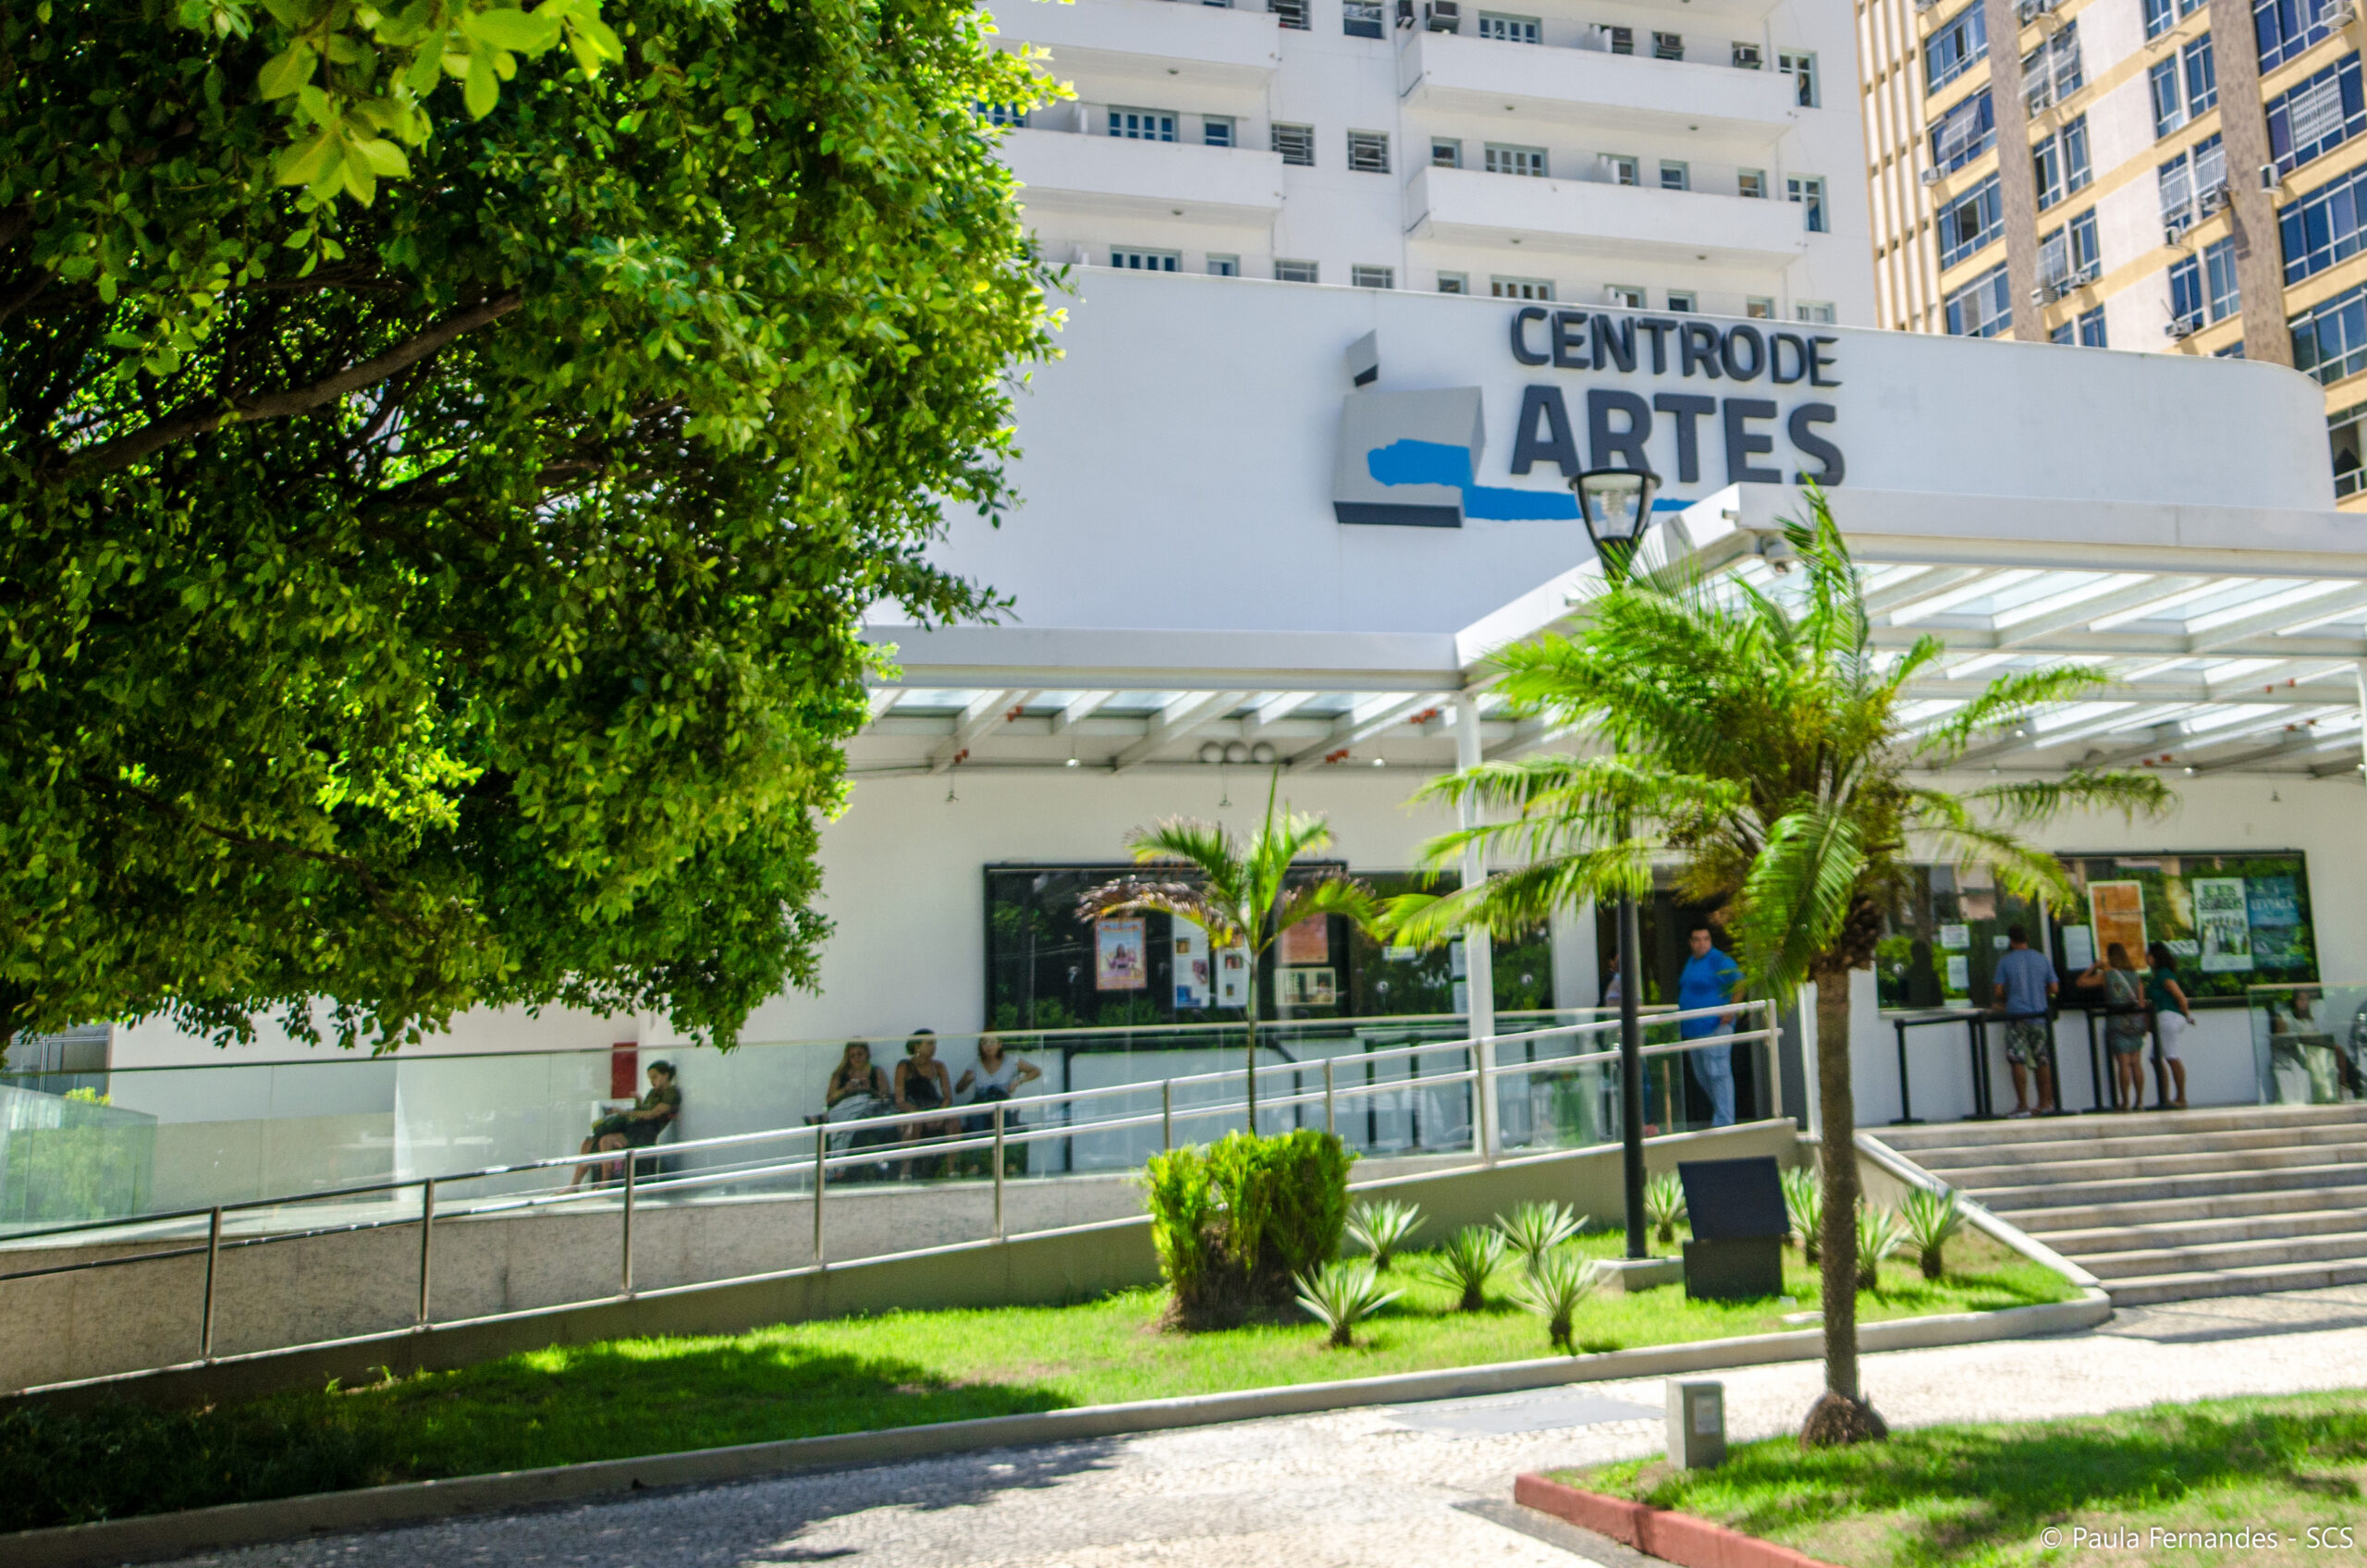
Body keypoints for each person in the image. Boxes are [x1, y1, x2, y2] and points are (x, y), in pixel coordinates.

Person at [566, 1060, 681, 1190]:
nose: (652, 1082)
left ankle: (605, 1182)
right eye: (650, 1079)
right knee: (588, 1143)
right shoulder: (653, 1093)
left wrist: (625, 1113)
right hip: (634, 1128)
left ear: (665, 1076)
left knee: (606, 1141)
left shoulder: (671, 1093)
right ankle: (574, 1184)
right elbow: (643, 1111)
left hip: (644, 1134)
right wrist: (638, 1101)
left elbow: (652, 1114)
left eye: (655, 1077)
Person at [1676, 925, 1744, 1127]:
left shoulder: (1718, 959)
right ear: (1690, 943)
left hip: (1714, 1027)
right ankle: (1722, 1115)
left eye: (1706, 939)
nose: (1702, 943)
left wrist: (1731, 1010)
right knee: (1702, 1076)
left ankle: (1724, 1122)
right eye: (1697, 939)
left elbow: (1740, 982)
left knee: (1718, 1073)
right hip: (1694, 1031)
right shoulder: (1691, 962)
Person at [1989, 925, 2057, 1117]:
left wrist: (2006, 1001)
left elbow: (1998, 991)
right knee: (2042, 1060)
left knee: (2017, 1059)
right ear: (2026, 937)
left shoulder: (2006, 962)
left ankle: (2023, 1104)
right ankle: (2045, 1103)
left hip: (2016, 1015)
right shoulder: (2042, 959)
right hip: (2039, 1015)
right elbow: (2054, 987)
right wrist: (2041, 995)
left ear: (2011, 940)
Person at [2076, 942, 2149, 1110]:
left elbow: (2081, 982)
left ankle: (2125, 1102)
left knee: (2123, 1063)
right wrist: (2145, 1023)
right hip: (2135, 1022)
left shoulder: (2107, 976)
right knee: (2136, 1063)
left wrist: (2095, 966)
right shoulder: (2134, 976)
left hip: (2117, 1021)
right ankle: (2139, 1101)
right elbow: (2141, 1002)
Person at [958, 1035, 1042, 1175]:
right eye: (985, 1043)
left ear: (999, 1044)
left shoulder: (1011, 1061)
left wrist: (1019, 1081)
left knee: (1006, 1122)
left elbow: (1036, 1071)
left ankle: (1010, 1164)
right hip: (982, 1104)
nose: (989, 1046)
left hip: (1002, 1102)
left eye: (992, 1042)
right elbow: (959, 1089)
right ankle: (974, 1165)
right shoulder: (976, 1064)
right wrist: (967, 1080)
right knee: (975, 1123)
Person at [895, 1028, 958, 1178]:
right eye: (929, 1043)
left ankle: (951, 1168)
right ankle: (906, 1170)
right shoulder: (904, 1067)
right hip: (913, 1108)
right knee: (913, 1124)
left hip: (934, 1107)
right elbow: (900, 1099)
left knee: (954, 1121)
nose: (933, 1047)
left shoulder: (938, 1066)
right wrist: (920, 1115)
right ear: (917, 1046)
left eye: (934, 1043)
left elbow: (948, 1097)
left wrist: (939, 1114)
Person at [2145, 940, 2196, 1109]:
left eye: (2149, 955)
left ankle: (2180, 1098)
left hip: (2168, 1017)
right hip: (2163, 1018)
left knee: (2171, 1056)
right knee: (2156, 1058)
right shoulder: (2158, 975)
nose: (2146, 958)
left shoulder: (2164, 975)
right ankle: (2165, 1098)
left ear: (2155, 957)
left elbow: (2179, 996)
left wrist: (2185, 1014)